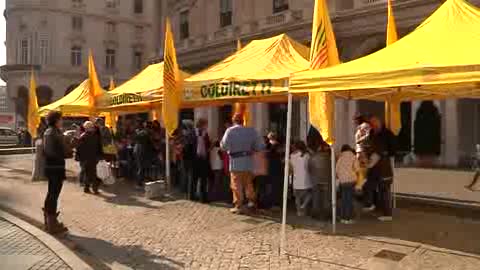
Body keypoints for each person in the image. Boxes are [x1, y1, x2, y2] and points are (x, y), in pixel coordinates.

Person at [221, 113, 263, 214]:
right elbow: (259, 146)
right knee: (248, 183)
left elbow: (224, 146)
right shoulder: (251, 131)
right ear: (243, 121)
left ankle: (238, 205)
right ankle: (251, 203)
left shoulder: (230, 131)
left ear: (233, 121)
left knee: (236, 184)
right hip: (248, 161)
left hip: (235, 162)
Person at [363, 116, 396, 222]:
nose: (372, 126)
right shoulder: (371, 133)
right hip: (374, 167)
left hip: (383, 167)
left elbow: (391, 149)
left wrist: (379, 155)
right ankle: (373, 205)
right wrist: (365, 154)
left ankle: (387, 213)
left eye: (374, 123)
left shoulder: (387, 134)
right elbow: (368, 145)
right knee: (368, 186)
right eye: (371, 124)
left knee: (384, 190)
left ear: (379, 122)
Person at [42, 111, 68, 234]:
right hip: (54, 167)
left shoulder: (54, 132)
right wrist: (65, 152)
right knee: (53, 194)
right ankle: (51, 223)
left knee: (52, 193)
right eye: (60, 119)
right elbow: (50, 152)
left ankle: (50, 220)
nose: (62, 121)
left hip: (56, 167)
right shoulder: (51, 132)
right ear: (56, 120)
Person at [76, 121, 103, 194]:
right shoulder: (95, 136)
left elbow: (79, 147)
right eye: (92, 127)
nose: (93, 128)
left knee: (87, 173)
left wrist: (79, 157)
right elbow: (99, 147)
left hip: (85, 158)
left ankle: (86, 188)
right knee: (93, 173)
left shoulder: (83, 136)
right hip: (93, 157)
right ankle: (94, 189)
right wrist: (100, 156)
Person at [308, 139, 332, 220]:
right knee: (326, 198)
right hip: (326, 180)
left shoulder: (313, 157)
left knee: (316, 197)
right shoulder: (329, 157)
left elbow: (309, 169)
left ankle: (315, 213)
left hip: (315, 180)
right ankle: (326, 214)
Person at [336, 145, 358, 224]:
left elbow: (336, 169)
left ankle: (343, 218)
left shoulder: (340, 157)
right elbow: (357, 168)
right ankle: (348, 218)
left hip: (343, 181)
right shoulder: (353, 157)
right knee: (349, 199)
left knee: (344, 199)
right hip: (351, 180)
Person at [290, 141, 313, 217]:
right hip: (305, 178)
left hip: (296, 178)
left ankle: (299, 212)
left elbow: (291, 168)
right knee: (310, 194)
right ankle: (303, 206)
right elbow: (310, 166)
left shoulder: (292, 155)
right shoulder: (306, 155)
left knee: (297, 197)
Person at [192, 118, 210, 203]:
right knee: (194, 178)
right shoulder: (192, 133)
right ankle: (192, 196)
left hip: (203, 158)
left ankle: (203, 197)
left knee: (203, 179)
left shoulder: (205, 134)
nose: (206, 126)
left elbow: (207, 145)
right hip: (194, 158)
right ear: (201, 124)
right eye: (205, 125)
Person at [354, 115, 372, 191]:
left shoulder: (365, 125)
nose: (354, 122)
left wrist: (359, 140)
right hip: (360, 150)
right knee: (359, 169)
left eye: (355, 120)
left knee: (364, 168)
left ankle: (363, 185)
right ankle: (360, 185)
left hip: (363, 150)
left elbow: (368, 135)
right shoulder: (360, 127)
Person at [266, 132, 283, 207]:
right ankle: (276, 203)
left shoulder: (267, 146)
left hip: (270, 167)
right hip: (277, 167)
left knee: (270, 186)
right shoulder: (279, 146)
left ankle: (271, 202)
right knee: (276, 186)